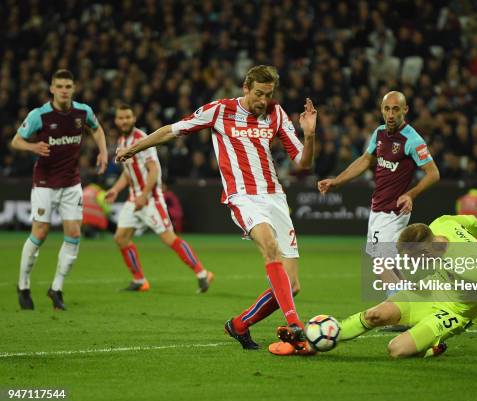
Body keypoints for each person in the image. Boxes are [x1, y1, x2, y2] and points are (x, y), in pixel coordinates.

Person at [116, 66, 317, 351]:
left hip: (275, 198)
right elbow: (172, 131)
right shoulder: (219, 111)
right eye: (258, 94)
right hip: (243, 197)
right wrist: (135, 147)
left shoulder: (277, 113)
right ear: (245, 89)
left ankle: (239, 325)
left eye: (268, 95)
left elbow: (303, 163)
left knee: (292, 285)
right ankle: (295, 323)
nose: (263, 100)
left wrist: (309, 136)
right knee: (269, 248)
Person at [272, 215, 477, 363]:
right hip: (430, 290)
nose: (412, 262)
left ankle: (434, 342)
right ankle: (306, 344)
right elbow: (471, 221)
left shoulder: (468, 266)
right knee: (375, 315)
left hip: (458, 309)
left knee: (397, 350)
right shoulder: (440, 224)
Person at [318, 91, 439, 304]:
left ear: (405, 110)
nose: (390, 114)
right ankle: (413, 308)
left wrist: (410, 194)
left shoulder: (412, 140)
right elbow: (365, 160)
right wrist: (337, 181)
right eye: (386, 109)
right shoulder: (380, 133)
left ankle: (398, 311)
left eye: (395, 109)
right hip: (378, 208)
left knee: (379, 264)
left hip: (393, 211)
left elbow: (434, 174)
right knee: (389, 265)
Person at [12, 69, 108, 311]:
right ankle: (23, 285)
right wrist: (33, 147)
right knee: (41, 232)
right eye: (60, 86)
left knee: (74, 234)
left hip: (71, 183)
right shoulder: (39, 115)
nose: (64, 90)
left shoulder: (83, 112)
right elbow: (16, 140)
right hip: (44, 182)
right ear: (52, 89)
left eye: (68, 86)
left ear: (73, 88)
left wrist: (103, 151)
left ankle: (56, 288)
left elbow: (96, 129)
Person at [105, 104, 213, 293]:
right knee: (121, 238)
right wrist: (115, 189)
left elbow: (154, 169)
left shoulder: (141, 139)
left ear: (134, 118)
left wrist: (145, 195)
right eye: (121, 118)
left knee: (169, 238)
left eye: (127, 117)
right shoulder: (123, 140)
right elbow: (128, 172)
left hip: (150, 199)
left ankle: (202, 273)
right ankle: (139, 280)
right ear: (116, 120)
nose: (124, 121)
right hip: (134, 199)